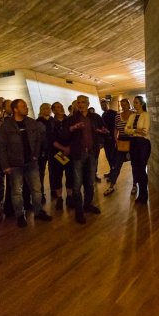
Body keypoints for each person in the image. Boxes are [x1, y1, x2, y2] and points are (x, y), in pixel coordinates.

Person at [0, 99, 52, 227]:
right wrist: (5, 165)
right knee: (17, 191)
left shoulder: (31, 122)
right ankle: (20, 215)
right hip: (15, 164)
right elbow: (1, 146)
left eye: (26, 106)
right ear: (15, 109)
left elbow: (38, 140)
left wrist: (35, 155)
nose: (26, 108)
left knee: (36, 189)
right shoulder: (6, 126)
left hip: (31, 163)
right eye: (23, 106)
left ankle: (38, 211)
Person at [61, 95, 106, 224]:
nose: (80, 104)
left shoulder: (95, 117)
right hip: (78, 155)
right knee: (77, 184)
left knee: (90, 181)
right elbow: (63, 135)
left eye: (83, 102)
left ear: (88, 103)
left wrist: (102, 137)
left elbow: (103, 130)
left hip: (92, 154)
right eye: (78, 102)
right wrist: (73, 128)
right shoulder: (71, 119)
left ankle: (88, 204)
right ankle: (79, 211)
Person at [103, 98, 134, 196]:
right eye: (122, 104)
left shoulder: (134, 114)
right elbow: (115, 129)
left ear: (129, 104)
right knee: (117, 164)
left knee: (134, 165)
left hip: (133, 142)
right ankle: (112, 185)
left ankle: (134, 185)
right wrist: (116, 139)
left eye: (125, 104)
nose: (123, 106)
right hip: (121, 142)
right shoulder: (117, 116)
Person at [48, 101, 74, 210]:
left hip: (70, 152)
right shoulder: (50, 122)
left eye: (62, 106)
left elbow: (75, 136)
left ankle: (69, 196)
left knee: (70, 175)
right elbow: (51, 139)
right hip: (56, 153)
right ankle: (59, 198)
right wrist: (64, 149)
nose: (61, 108)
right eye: (58, 107)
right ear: (53, 110)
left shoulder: (70, 120)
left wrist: (69, 148)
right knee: (57, 176)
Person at [125, 95, 151, 203]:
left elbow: (145, 131)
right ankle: (141, 194)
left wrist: (133, 130)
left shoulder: (146, 115)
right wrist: (136, 130)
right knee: (135, 168)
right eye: (134, 102)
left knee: (141, 169)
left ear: (142, 104)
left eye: (136, 102)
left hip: (143, 143)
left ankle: (144, 195)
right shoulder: (132, 116)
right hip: (134, 143)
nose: (134, 104)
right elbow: (126, 130)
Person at [100, 99, 117, 179]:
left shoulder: (114, 113)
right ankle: (112, 170)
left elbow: (115, 126)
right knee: (108, 156)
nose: (103, 106)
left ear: (108, 104)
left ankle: (114, 173)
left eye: (104, 105)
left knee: (112, 156)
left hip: (112, 138)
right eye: (102, 105)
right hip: (106, 139)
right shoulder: (103, 114)